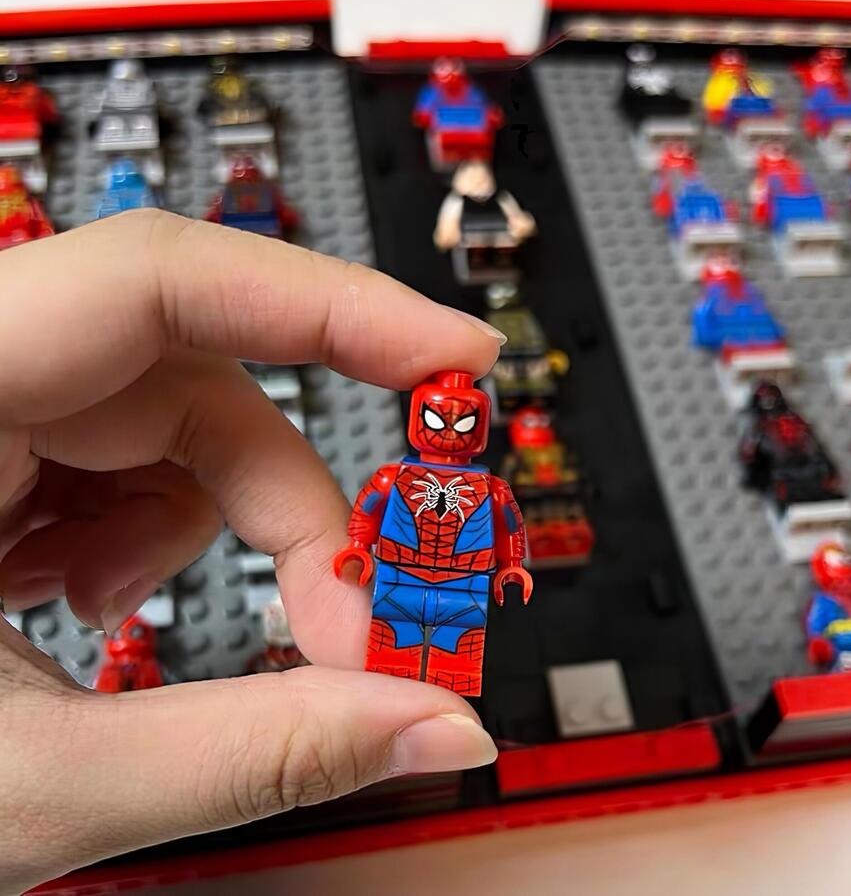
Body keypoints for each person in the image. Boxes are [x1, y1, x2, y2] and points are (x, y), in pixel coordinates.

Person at [0, 209, 504, 893]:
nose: (448, 428)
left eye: (461, 420)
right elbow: (370, 512)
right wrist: (359, 549)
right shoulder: (401, 479)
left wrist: (509, 564)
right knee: (393, 635)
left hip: (459, 579)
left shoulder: (482, 488)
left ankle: (433, 679)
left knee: (449, 642)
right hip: (411, 573)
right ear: (420, 420)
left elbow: (504, 525)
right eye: (440, 417)